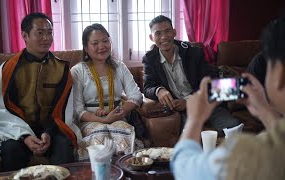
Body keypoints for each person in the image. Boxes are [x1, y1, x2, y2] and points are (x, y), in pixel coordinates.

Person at [171, 17, 285, 180]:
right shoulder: (151, 58)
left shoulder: (253, 154)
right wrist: (266, 111)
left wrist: (195, 119)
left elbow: (183, 168)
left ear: (279, 75)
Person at [0, 12, 82, 171]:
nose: (46, 38)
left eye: (49, 32)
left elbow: (63, 110)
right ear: (25, 35)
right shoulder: (8, 69)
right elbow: (2, 110)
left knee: (65, 147)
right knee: (11, 151)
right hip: (16, 131)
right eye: (40, 33)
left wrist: (48, 133)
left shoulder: (62, 69)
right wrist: (25, 136)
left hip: (51, 130)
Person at [143, 15, 240, 132]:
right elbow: (148, 86)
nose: (163, 37)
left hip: (205, 103)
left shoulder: (194, 53)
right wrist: (159, 90)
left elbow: (210, 83)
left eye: (167, 31)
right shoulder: (149, 59)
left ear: (174, 32)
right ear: (151, 37)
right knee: (189, 137)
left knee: (233, 128)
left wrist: (188, 102)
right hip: (180, 111)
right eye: (158, 33)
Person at [71, 23, 143, 160]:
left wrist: (117, 113)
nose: (102, 46)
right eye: (95, 43)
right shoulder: (77, 71)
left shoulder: (119, 66)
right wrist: (102, 119)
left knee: (122, 130)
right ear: (86, 48)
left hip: (117, 115)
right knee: (100, 132)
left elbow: (136, 95)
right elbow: (78, 110)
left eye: (105, 41)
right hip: (89, 120)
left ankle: (125, 173)